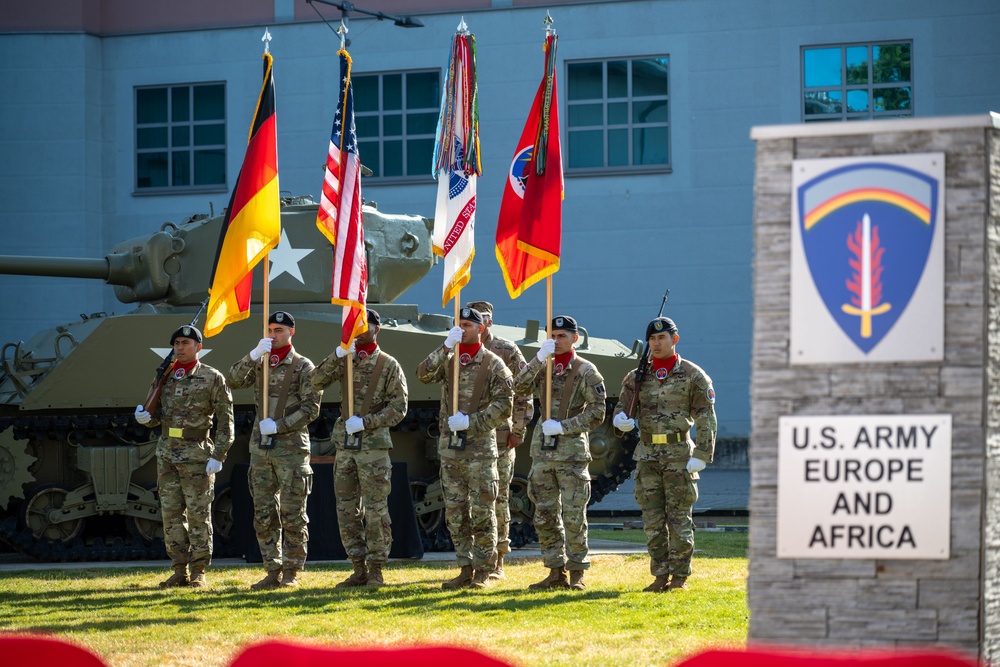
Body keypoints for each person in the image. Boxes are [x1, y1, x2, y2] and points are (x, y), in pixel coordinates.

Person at [612, 316, 716, 592]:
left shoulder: (693, 375)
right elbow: (621, 408)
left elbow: (706, 416)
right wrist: (620, 420)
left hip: (679, 454)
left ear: (674, 340)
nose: (656, 343)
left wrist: (703, 453)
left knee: (679, 518)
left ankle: (679, 577)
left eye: (662, 338)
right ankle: (659, 575)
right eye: (652, 339)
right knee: (653, 520)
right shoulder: (637, 377)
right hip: (646, 455)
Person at [310, 308, 408, 588]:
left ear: (377, 329)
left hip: (373, 448)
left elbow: (399, 408)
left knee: (376, 510)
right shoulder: (346, 359)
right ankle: (357, 567)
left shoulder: (389, 365)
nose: (359, 330)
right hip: (345, 448)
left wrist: (366, 422)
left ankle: (376, 568)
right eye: (356, 325)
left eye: (365, 325)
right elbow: (315, 381)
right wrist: (338, 354)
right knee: (347, 510)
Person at [417, 307, 513, 590]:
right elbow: (422, 374)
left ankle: (484, 571)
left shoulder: (494, 363)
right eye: (459, 324)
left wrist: (472, 422)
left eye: (469, 325)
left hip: (480, 450)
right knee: (456, 513)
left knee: (482, 512)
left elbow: (505, 404)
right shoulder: (449, 361)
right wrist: (445, 346)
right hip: (451, 451)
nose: (463, 329)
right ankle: (464, 567)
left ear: (481, 329)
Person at [134, 325, 234, 588]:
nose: (179, 347)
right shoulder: (165, 376)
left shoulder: (212, 377)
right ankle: (179, 569)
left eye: (185, 343)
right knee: (171, 514)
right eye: (176, 343)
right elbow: (155, 415)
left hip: (197, 454)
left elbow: (226, 421)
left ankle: (199, 570)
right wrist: (144, 418)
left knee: (199, 513)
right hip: (167, 453)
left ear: (198, 347)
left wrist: (219, 454)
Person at [227, 311, 321, 590]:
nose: (273, 334)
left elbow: (311, 409)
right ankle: (272, 569)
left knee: (293, 513)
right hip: (261, 451)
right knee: (264, 513)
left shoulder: (304, 367)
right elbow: (232, 380)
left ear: (292, 332)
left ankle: (292, 571)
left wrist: (278, 426)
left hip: (290, 450)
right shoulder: (261, 363)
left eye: (278, 329)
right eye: (270, 329)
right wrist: (253, 355)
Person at [514, 315, 606, 591]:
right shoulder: (544, 366)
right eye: (552, 335)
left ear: (574, 338)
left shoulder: (587, 371)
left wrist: (564, 426)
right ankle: (554, 571)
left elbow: (597, 412)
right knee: (544, 514)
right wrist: (538, 359)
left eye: (562, 335)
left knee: (573, 515)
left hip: (572, 454)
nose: (556, 340)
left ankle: (577, 572)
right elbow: (518, 387)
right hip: (543, 453)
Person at [465, 300, 533, 580]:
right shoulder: (460, 351)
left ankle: (498, 560)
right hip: (468, 438)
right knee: (469, 500)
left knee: (498, 498)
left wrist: (518, 430)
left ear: (489, 322)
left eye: (485, 319)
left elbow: (523, 391)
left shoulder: (505, 350)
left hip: (500, 437)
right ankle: (473, 559)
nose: (484, 323)